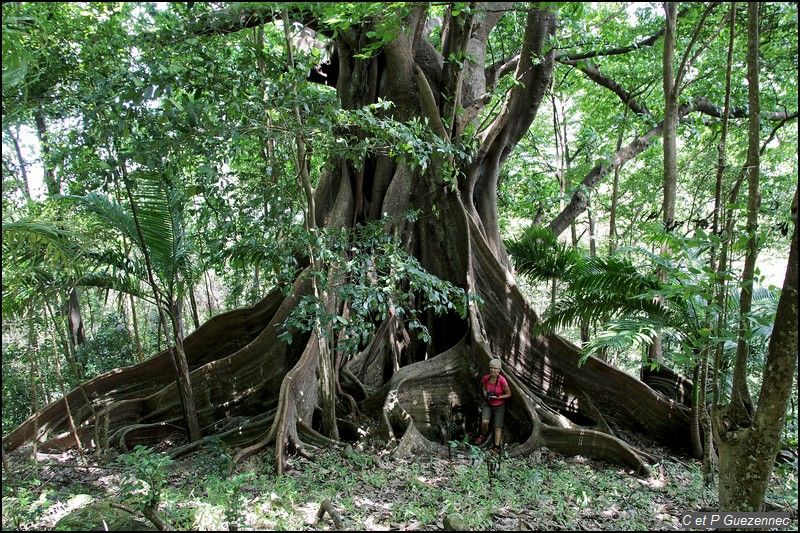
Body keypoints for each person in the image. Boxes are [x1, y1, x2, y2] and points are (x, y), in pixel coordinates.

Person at [476, 358, 511, 450]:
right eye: (491, 368)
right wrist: (485, 393)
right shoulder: (486, 378)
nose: (493, 370)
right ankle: (483, 435)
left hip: (499, 405)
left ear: (499, 370)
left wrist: (498, 397)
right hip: (488, 403)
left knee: (497, 427)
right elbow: (483, 388)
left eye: (495, 368)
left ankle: (496, 447)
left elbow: (508, 394)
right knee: (485, 422)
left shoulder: (502, 380)